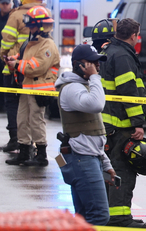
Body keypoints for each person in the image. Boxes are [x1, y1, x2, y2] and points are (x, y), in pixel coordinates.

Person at [54, 44, 116, 225]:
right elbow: (97, 104)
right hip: (81, 159)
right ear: (79, 65)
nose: (97, 66)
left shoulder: (83, 86)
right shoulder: (72, 88)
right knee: (99, 215)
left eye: (98, 63)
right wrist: (95, 78)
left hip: (87, 157)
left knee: (83, 218)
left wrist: (105, 163)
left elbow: (93, 134)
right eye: (93, 62)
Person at [99, 18, 146, 228]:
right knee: (122, 171)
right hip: (121, 126)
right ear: (133, 36)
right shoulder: (122, 56)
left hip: (107, 125)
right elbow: (128, 92)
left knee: (108, 170)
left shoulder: (110, 50)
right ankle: (119, 219)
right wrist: (137, 122)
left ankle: (108, 215)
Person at [5, 5, 60, 166]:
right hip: (27, 89)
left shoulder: (47, 45)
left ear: (42, 26)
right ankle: (24, 152)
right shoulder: (32, 42)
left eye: (33, 25)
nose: (30, 28)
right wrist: (12, 59)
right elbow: (24, 57)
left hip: (39, 90)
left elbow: (36, 67)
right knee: (22, 120)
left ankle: (41, 154)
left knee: (36, 121)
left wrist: (16, 64)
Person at [1, 0, 48, 154]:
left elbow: (6, 41)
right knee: (33, 111)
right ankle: (33, 147)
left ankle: (18, 141)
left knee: (16, 107)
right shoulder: (44, 13)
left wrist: (5, 57)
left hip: (13, 69)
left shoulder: (16, 15)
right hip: (35, 71)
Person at [0, 0, 14, 149]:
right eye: (2, 3)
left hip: (9, 63)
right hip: (6, 62)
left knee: (11, 103)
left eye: (6, 3)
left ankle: (16, 139)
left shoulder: (12, 18)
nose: (4, 5)